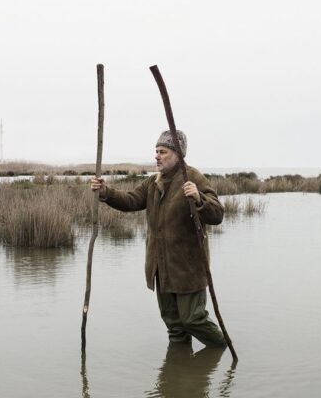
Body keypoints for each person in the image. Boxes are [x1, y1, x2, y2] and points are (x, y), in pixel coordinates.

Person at [90, 130, 226, 347]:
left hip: (188, 267)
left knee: (193, 320)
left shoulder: (193, 178)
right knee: (174, 326)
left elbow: (217, 214)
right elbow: (131, 200)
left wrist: (199, 199)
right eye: (156, 151)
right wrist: (106, 192)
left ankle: (222, 350)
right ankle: (180, 373)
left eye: (163, 152)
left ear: (178, 155)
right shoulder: (153, 182)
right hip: (161, 267)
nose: (157, 156)